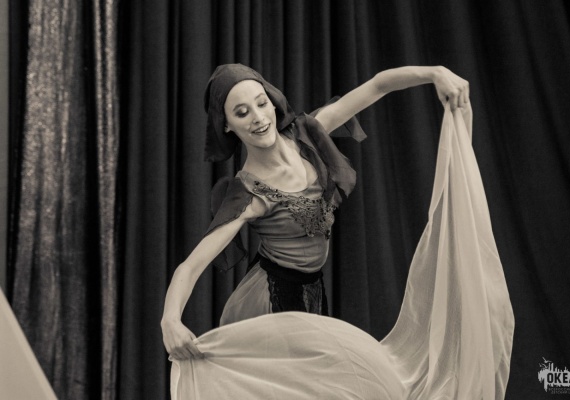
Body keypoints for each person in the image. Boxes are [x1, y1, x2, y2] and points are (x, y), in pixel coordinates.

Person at [161, 63, 470, 361]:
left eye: (261, 103)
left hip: (310, 290)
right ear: (227, 125)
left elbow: (378, 85)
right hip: (269, 303)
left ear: (272, 102)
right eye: (242, 113)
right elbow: (189, 267)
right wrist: (170, 321)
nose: (258, 117)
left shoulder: (306, 135)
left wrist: (434, 73)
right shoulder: (249, 192)